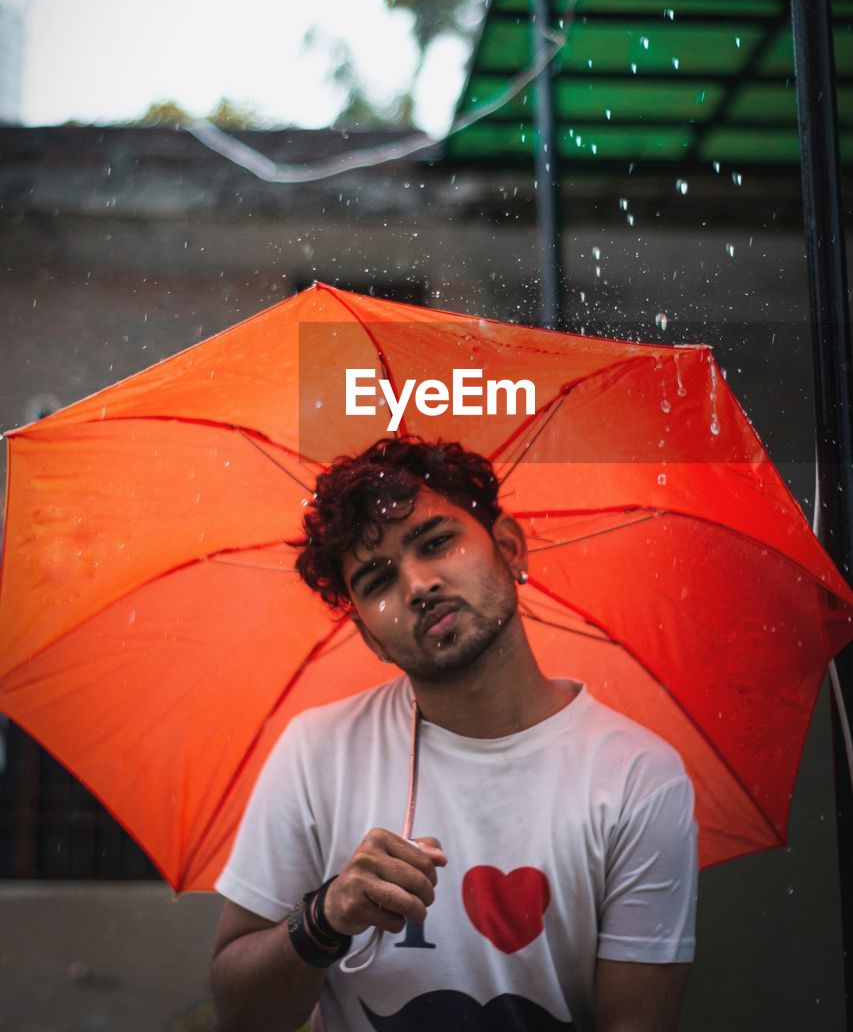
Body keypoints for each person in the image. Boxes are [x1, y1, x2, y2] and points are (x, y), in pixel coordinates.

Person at [211, 437, 698, 1032]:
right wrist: (325, 917)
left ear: (509, 548)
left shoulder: (637, 777)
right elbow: (240, 1013)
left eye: (436, 542)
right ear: (370, 637)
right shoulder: (317, 754)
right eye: (377, 578)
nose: (417, 585)